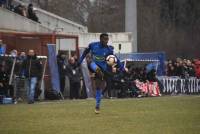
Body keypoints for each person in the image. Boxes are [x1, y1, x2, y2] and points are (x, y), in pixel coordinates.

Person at [78, 33, 127, 114]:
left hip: (103, 69)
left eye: (107, 39)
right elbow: (85, 53)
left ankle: (97, 105)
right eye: (105, 39)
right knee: (97, 70)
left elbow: (116, 59)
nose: (106, 41)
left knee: (99, 87)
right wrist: (79, 61)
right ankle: (100, 75)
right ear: (100, 39)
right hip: (93, 66)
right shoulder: (93, 45)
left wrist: (122, 68)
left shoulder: (109, 50)